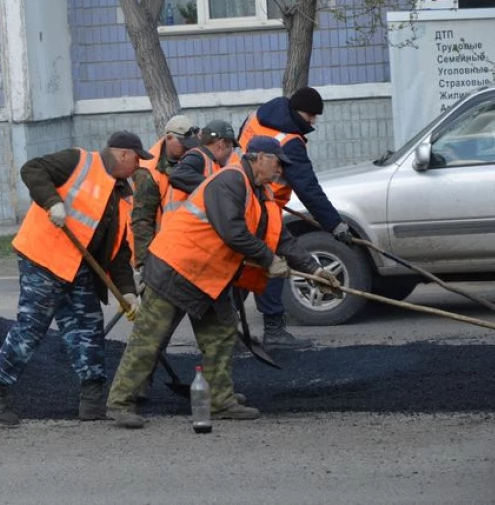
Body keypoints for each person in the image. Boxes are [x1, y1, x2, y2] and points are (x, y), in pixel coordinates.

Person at [106, 137, 341, 429]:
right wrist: (268, 260)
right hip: (175, 268)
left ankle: (219, 401)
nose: (281, 168)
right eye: (277, 161)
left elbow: (282, 238)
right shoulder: (230, 181)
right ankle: (120, 402)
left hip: (208, 276)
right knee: (149, 339)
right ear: (257, 158)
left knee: (221, 335)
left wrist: (315, 270)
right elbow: (232, 231)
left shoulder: (262, 193)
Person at [0, 131, 150, 426]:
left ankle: (92, 402)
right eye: (137, 159)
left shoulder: (122, 195)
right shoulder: (78, 161)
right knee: (32, 327)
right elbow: (32, 169)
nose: (138, 166)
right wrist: (52, 202)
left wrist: (128, 293)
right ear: (122, 154)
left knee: (88, 328)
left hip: (77, 267)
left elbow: (119, 253)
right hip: (43, 258)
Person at [237, 86, 354, 350]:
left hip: (243, 199)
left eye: (315, 116)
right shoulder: (290, 142)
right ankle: (274, 333)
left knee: (245, 268)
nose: (312, 121)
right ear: (295, 111)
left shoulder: (256, 117)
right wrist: (335, 224)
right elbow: (308, 188)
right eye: (310, 115)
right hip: (263, 209)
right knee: (272, 266)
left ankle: (227, 329)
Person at [128, 114, 199, 400]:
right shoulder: (147, 173)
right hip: (160, 259)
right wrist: (144, 265)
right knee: (154, 331)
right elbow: (141, 222)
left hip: (190, 256)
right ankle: (135, 389)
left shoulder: (191, 158)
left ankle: (218, 387)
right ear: (169, 139)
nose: (188, 149)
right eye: (183, 144)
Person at [168, 119, 237, 195]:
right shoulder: (197, 157)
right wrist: (214, 186)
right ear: (222, 144)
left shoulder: (211, 161)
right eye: (232, 146)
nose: (232, 151)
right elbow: (176, 174)